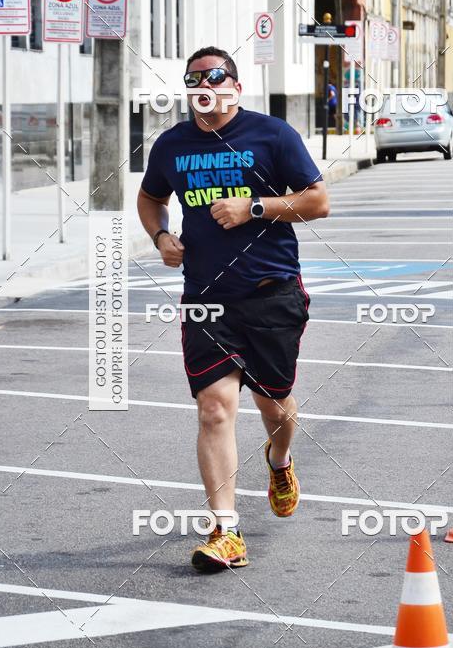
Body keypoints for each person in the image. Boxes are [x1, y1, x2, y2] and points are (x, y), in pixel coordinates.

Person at [137, 47, 330, 572]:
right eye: (194, 79)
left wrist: (255, 207)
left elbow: (318, 200)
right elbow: (150, 198)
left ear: (235, 87)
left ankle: (279, 460)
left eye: (214, 76)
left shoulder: (272, 135)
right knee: (215, 407)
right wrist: (160, 236)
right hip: (206, 298)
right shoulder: (173, 144)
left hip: (271, 293)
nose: (204, 85)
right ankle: (226, 531)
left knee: (275, 407)